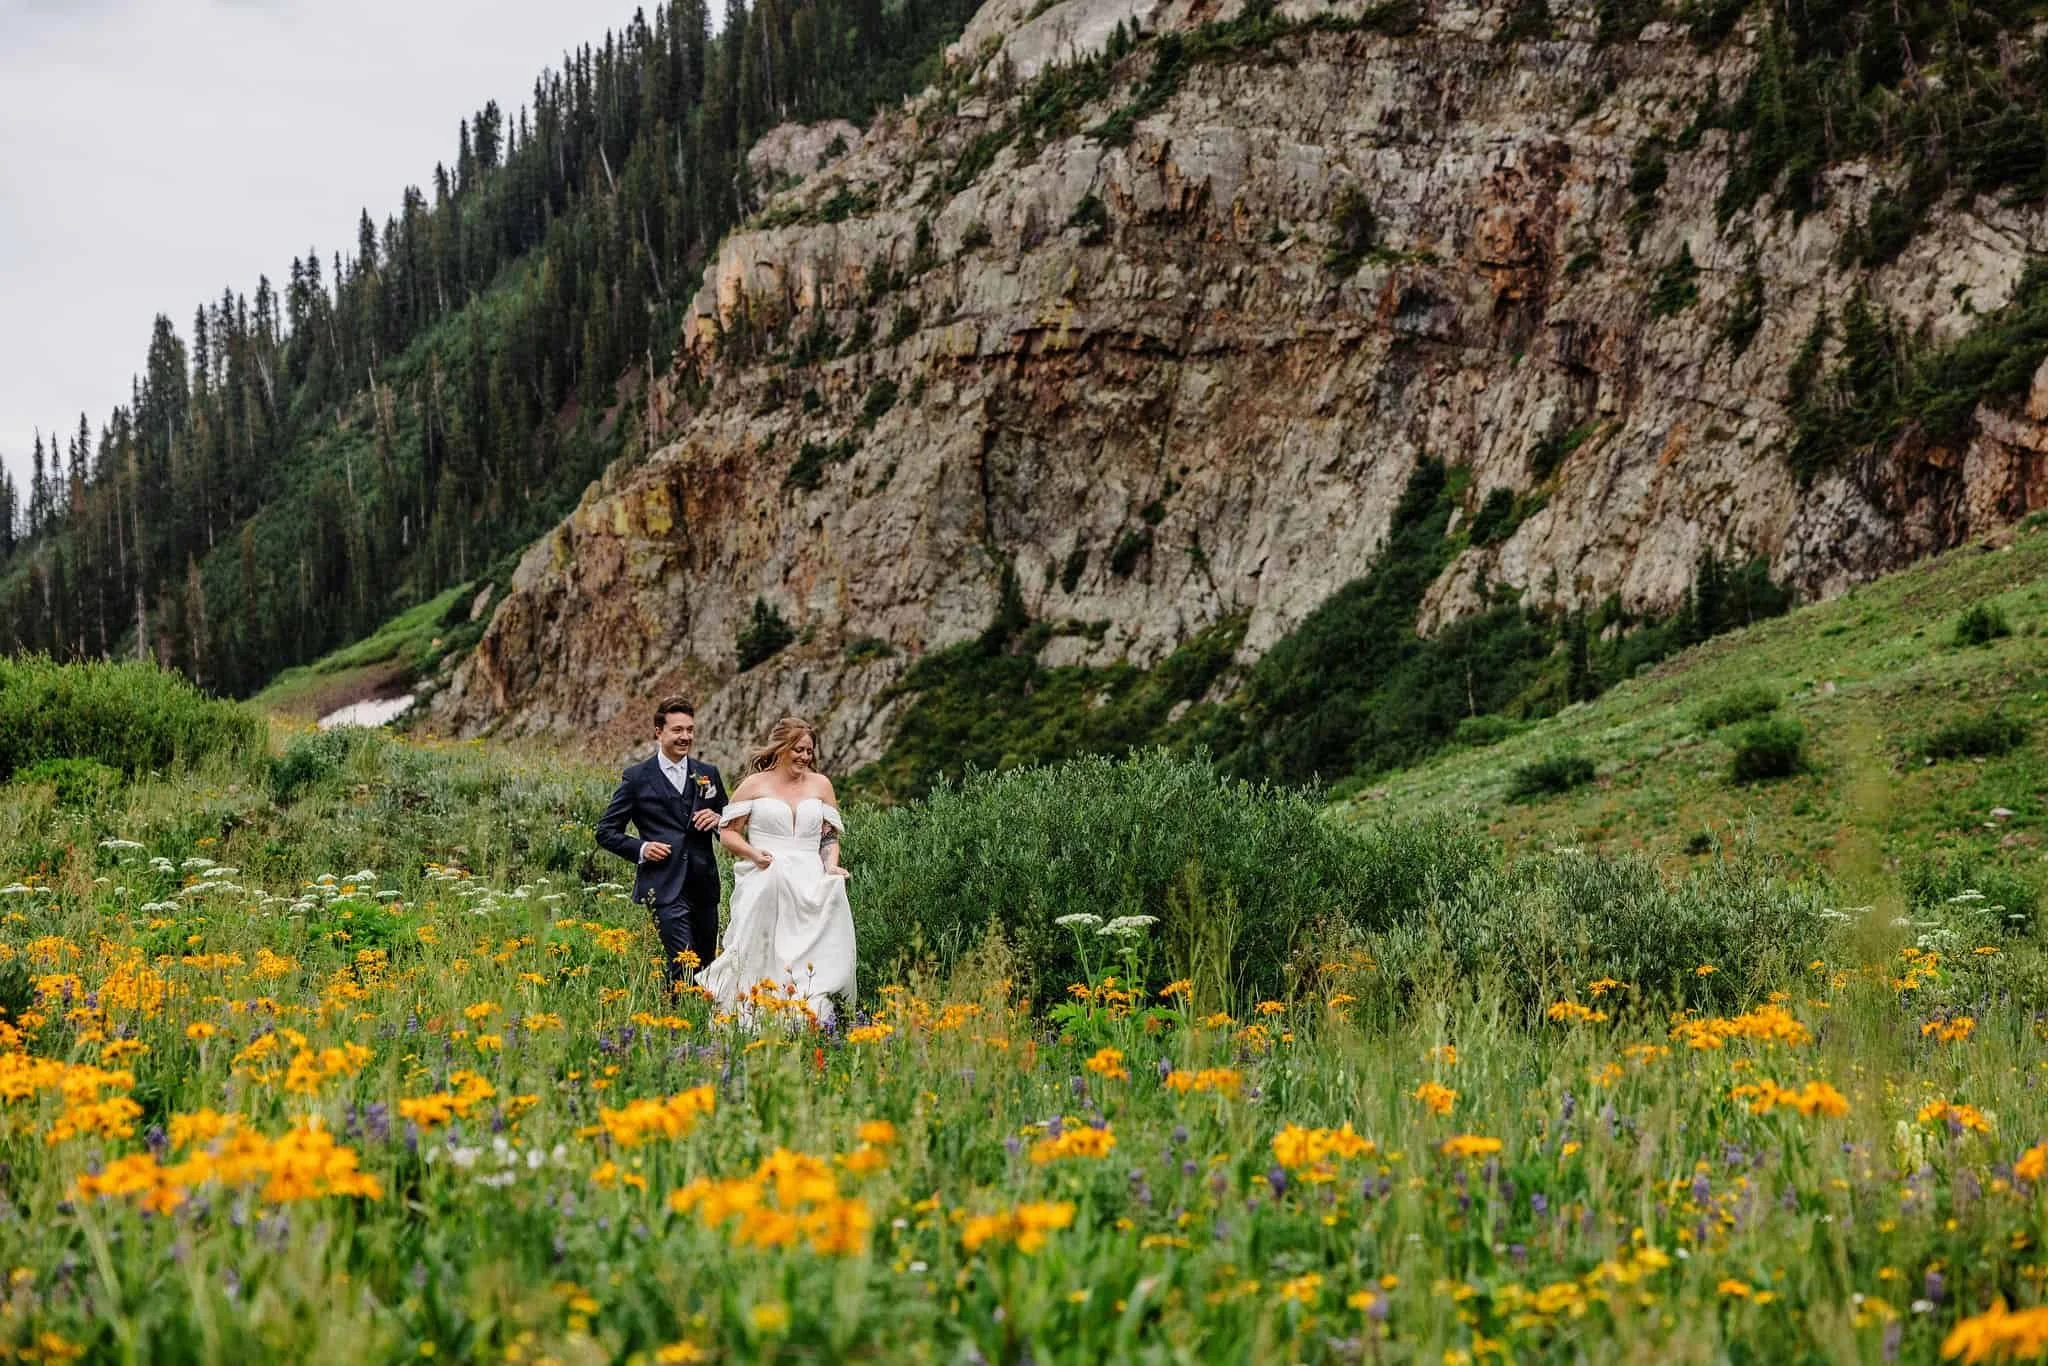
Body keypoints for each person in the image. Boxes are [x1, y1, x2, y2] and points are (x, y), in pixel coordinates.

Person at [699, 716, 857, 1025]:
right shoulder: (754, 785)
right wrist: (752, 854)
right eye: (798, 749)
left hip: (809, 880)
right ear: (781, 748)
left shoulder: (821, 784)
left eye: (809, 751)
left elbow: (829, 836)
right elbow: (728, 832)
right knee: (762, 949)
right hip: (767, 875)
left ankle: (810, 1016)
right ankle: (754, 1012)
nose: (804, 757)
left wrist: (831, 866)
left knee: (811, 956)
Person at [594, 696, 728, 993]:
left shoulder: (708, 773)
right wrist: (642, 849)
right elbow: (606, 831)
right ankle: (675, 1028)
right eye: (677, 730)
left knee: (706, 964)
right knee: (682, 960)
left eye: (690, 730)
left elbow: (729, 827)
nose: (685, 737)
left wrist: (719, 821)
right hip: (663, 885)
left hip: (704, 884)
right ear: (659, 732)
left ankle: (700, 1029)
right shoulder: (637, 778)